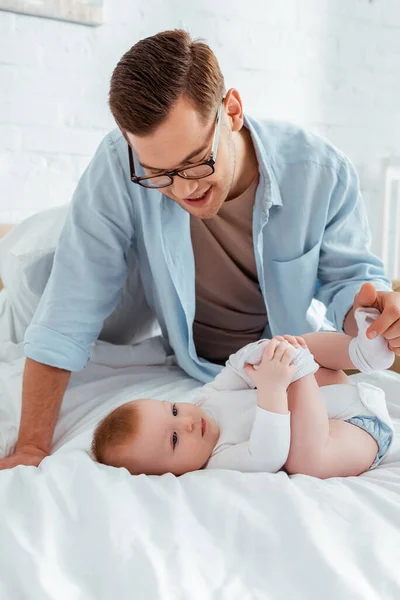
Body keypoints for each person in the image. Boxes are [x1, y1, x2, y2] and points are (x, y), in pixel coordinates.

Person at [1, 29, 400, 472]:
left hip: (296, 358)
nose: (184, 188)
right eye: (160, 174)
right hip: (201, 368)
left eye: (196, 162)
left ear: (231, 111)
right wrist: (32, 448)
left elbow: (350, 286)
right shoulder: (121, 163)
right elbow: (69, 306)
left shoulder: (320, 172)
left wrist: (374, 317)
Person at [91, 308, 395, 478]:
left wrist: (264, 353)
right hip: (355, 431)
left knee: (284, 346)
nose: (186, 422)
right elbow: (268, 453)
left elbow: (235, 368)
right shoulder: (220, 460)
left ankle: (364, 353)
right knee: (307, 463)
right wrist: (274, 386)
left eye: (173, 410)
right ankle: (299, 366)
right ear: (168, 474)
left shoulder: (206, 401)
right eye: (174, 439)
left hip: (328, 391)